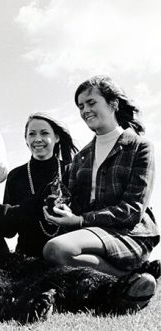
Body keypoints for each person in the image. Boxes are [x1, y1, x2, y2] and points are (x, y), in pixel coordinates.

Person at [42, 75, 160, 307]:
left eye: (91, 102)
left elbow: (132, 210)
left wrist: (78, 220)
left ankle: (126, 280)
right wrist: (62, 209)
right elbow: (76, 204)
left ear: (113, 103)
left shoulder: (139, 147)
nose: (85, 110)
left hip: (129, 233)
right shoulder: (81, 157)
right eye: (80, 106)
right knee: (55, 254)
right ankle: (128, 286)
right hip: (91, 232)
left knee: (56, 248)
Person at [3, 113, 78, 257]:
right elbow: (8, 230)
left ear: (56, 137)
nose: (38, 139)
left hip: (67, 257)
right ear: (26, 140)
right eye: (31, 134)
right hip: (27, 259)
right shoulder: (15, 176)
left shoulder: (72, 171)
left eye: (44, 133)